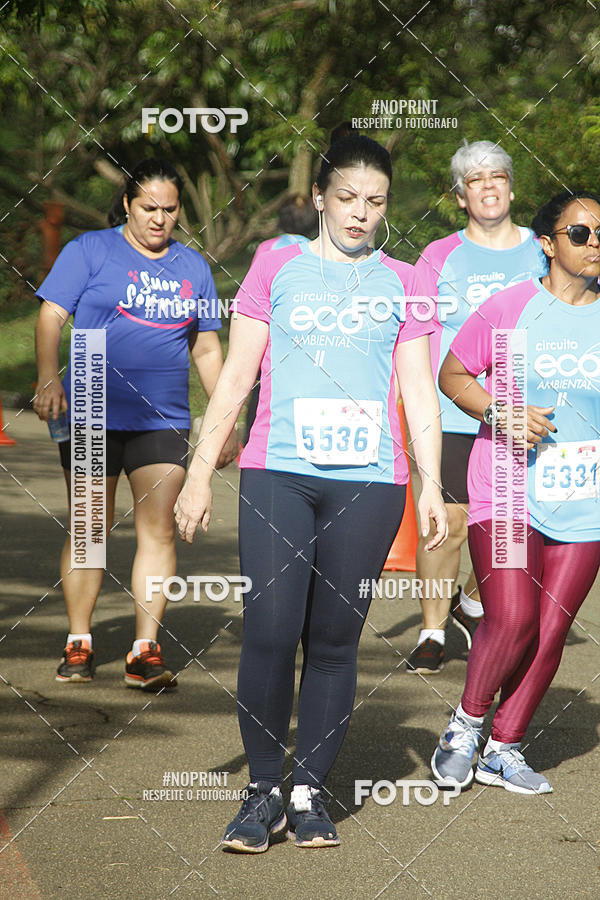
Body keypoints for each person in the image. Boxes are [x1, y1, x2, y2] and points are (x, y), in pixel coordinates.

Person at [174, 128, 448, 851]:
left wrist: (430, 486)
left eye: (376, 201)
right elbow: (235, 377)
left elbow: (420, 390)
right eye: (349, 197)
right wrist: (200, 473)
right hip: (278, 472)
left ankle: (307, 792)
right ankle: (261, 791)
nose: (361, 212)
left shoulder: (410, 278)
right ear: (321, 196)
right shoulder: (277, 263)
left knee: (333, 641)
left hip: (369, 481)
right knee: (268, 631)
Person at [33, 158, 238, 690]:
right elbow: (52, 314)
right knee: (89, 529)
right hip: (92, 403)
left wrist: (225, 418)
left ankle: (144, 648)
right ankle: (79, 640)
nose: (159, 219)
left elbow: (209, 347)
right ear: (127, 203)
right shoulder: (90, 250)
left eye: (170, 210)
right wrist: (48, 379)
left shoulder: (193, 267)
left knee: (159, 528)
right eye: (149, 207)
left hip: (161, 414)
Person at [430, 189, 600, 793]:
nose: (594, 243)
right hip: (505, 484)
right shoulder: (510, 307)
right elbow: (452, 374)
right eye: (580, 233)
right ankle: (466, 724)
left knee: (552, 630)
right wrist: (501, 411)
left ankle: (505, 746)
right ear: (549, 244)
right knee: (513, 615)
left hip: (584, 497)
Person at [406, 140, 546, 675]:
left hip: (531, 411)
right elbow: (417, 334)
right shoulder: (439, 256)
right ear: (461, 196)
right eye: (476, 180)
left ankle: (473, 599)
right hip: (459, 406)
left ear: (511, 187)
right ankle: (433, 629)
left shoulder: (544, 248)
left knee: (520, 522)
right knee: (453, 521)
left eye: (498, 178)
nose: (489, 187)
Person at [243, 193, 318, 444]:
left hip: (268, 339)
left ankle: (253, 438)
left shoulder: (267, 248)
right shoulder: (316, 251)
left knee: (261, 390)